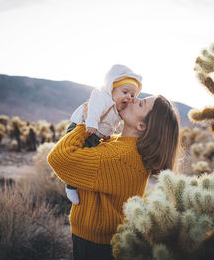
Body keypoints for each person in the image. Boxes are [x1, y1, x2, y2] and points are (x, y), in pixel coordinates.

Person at [47, 94, 180, 260]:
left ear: (141, 126)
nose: (133, 99)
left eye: (140, 104)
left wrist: (84, 124)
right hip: (104, 240)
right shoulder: (124, 146)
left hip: (95, 246)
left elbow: (59, 158)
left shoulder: (119, 156)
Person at [64, 64, 143, 205]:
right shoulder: (102, 97)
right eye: (125, 92)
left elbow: (112, 124)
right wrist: (91, 123)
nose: (129, 97)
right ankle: (70, 186)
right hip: (82, 126)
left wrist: (107, 134)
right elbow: (93, 109)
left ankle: (78, 183)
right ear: (112, 88)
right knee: (76, 156)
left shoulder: (119, 108)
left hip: (94, 134)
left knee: (87, 159)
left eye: (132, 95)